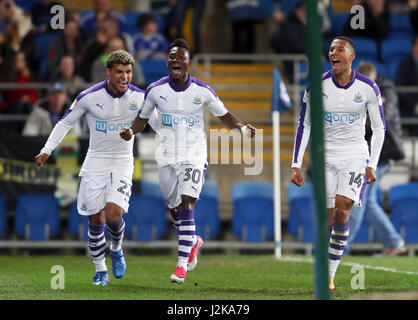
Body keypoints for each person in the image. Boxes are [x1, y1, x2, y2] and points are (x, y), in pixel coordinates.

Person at [120, 38, 256, 285]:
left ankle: (181, 266)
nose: (176, 61)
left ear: (188, 63)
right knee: (174, 211)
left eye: (180, 57)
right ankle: (192, 241)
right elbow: (142, 119)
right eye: (172, 57)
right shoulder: (155, 91)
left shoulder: (202, 91)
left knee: (187, 204)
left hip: (194, 156)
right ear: (167, 62)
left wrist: (243, 128)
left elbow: (224, 115)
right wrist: (131, 130)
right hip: (167, 157)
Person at [35, 50, 158, 286]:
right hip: (95, 161)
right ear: (109, 72)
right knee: (96, 220)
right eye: (120, 72)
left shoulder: (139, 97)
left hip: (122, 161)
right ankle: (101, 270)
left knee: (113, 214)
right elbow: (65, 123)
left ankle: (117, 248)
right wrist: (46, 149)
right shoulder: (89, 96)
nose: (125, 77)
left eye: (129, 72)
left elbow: (156, 123)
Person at [290, 36, 386, 292]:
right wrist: (296, 164)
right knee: (329, 219)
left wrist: (372, 165)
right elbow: (305, 125)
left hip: (355, 155)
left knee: (344, 209)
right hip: (325, 157)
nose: (334, 52)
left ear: (351, 56)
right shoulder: (316, 86)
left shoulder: (368, 88)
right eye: (331, 49)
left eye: (339, 49)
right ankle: (326, 263)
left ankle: (329, 275)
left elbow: (379, 129)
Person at [345, 61, 406, 256]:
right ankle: (394, 243)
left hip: (385, 154)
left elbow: (378, 121)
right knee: (368, 202)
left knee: (358, 197)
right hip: (372, 155)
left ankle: (342, 248)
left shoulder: (387, 92)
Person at [395, 35, 418, 135]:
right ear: (414, 47)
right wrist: (415, 106)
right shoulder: (404, 64)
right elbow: (400, 89)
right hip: (408, 109)